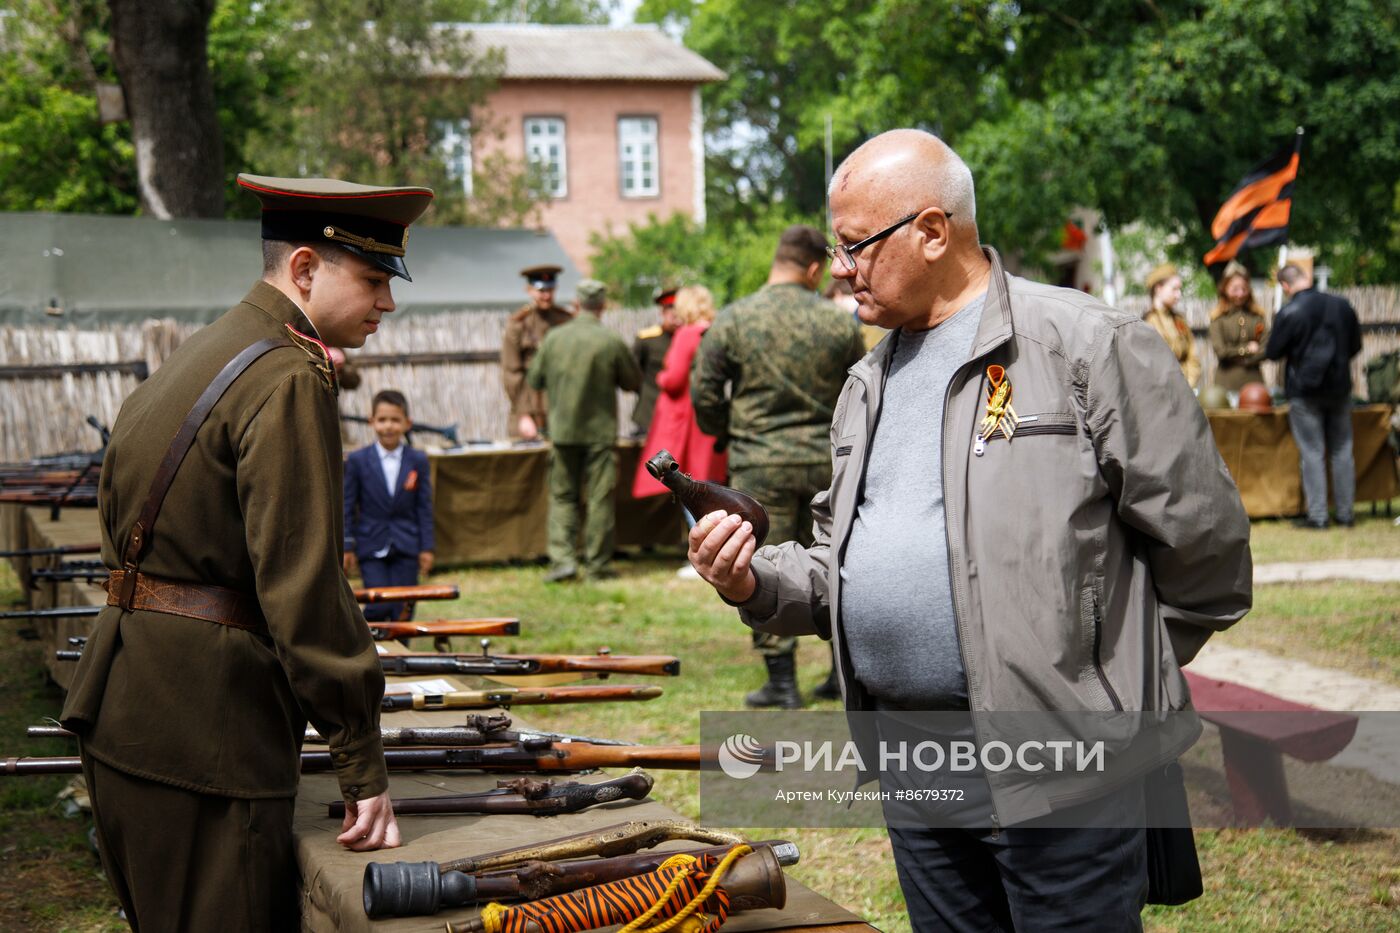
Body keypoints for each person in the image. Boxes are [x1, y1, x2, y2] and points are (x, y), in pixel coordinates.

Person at [687, 129, 1252, 932]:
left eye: (856, 246)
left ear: (931, 230)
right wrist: (750, 579)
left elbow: (1209, 550)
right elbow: (839, 563)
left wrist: (1098, 685)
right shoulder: (867, 380)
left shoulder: (1088, 343)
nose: (839, 268)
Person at [60, 173, 434, 931]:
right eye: (371, 280)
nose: (387, 303)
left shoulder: (202, 353)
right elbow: (303, 589)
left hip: (125, 706)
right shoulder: (287, 373)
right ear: (303, 269)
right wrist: (361, 760)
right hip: (210, 736)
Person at [692, 224, 865, 709]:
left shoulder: (733, 319)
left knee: (758, 561)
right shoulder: (839, 323)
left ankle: (781, 680)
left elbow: (703, 392)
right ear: (815, 268)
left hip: (758, 461)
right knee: (841, 559)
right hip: (829, 460)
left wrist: (729, 432)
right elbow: (864, 385)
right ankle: (840, 673)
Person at [527, 279, 642, 582]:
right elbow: (633, 382)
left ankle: (563, 561)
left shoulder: (554, 338)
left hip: (563, 432)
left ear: (576, 305)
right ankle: (597, 565)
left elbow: (535, 379)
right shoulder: (610, 340)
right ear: (602, 306)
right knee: (599, 499)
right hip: (599, 435)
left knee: (563, 498)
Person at [1264, 263, 1363, 529]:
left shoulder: (1289, 311)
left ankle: (1318, 517)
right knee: (1343, 450)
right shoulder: (1342, 305)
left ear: (1285, 286)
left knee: (1313, 452)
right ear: (1307, 279)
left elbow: (1272, 352)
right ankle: (1346, 515)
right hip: (1340, 388)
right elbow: (1356, 345)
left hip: (1304, 392)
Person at [633, 285, 727, 517]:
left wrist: (661, 376)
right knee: (710, 488)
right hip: (711, 416)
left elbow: (674, 380)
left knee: (691, 490)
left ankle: (706, 551)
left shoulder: (687, 334)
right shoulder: (715, 330)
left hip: (686, 423)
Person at [343, 389, 436, 622]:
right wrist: (347, 545)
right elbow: (347, 506)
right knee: (378, 602)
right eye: (382, 420)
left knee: (404, 608)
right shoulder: (357, 461)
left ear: (407, 423)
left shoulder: (417, 460)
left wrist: (426, 547)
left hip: (407, 545)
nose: (389, 426)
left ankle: (401, 654)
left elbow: (424, 507)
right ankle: (374, 650)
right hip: (371, 545)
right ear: (371, 421)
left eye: (395, 420)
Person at [502, 264, 573, 440]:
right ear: (529, 290)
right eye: (541, 290)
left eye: (550, 290)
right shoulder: (518, 324)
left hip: (562, 408)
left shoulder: (565, 320)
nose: (546, 296)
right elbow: (512, 373)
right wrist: (523, 415)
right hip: (530, 408)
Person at [1208, 260, 1269, 393]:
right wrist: (1246, 349)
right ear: (1224, 288)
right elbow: (1221, 352)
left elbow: (1265, 349)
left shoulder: (1257, 316)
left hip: (1254, 382)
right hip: (1226, 383)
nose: (1240, 294)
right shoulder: (1218, 318)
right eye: (1235, 289)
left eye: (1244, 288)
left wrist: (1244, 360)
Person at [630, 285, 681, 437]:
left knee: (676, 459)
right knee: (658, 459)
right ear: (663, 312)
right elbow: (633, 375)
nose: (674, 315)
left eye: (678, 311)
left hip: (679, 417)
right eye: (670, 310)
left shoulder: (690, 339)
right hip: (650, 415)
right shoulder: (647, 339)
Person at [1142, 262, 1201, 388]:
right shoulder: (1147, 322)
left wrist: (1190, 382)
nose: (1178, 294)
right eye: (1174, 289)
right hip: (1161, 389)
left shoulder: (1179, 320)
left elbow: (1192, 354)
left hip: (1185, 386)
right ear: (1159, 289)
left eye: (1179, 289)